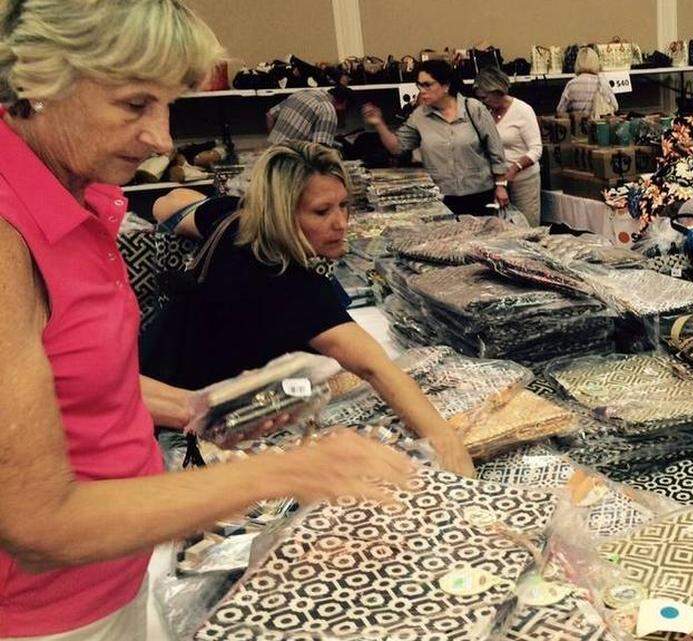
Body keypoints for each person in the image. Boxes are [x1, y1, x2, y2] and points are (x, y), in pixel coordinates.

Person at [0, 2, 414, 640]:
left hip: (110, 577)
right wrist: (286, 471)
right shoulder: (8, 236)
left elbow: (68, 376)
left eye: (167, 106)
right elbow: (37, 523)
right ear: (39, 81)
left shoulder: (71, 195)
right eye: (135, 104)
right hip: (43, 615)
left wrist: (196, 408)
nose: (162, 140)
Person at [146, 142, 475, 477]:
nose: (341, 223)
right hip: (186, 421)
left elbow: (169, 202)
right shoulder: (290, 285)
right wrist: (446, 442)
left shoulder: (236, 219)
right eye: (321, 212)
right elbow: (374, 367)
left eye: (344, 205)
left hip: (153, 373)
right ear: (282, 214)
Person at [363, 60, 510, 216]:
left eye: (427, 85)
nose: (422, 91)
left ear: (445, 86)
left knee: (486, 231)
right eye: (419, 85)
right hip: (442, 196)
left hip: (480, 193)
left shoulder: (473, 108)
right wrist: (379, 124)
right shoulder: (419, 116)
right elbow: (397, 147)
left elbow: (495, 148)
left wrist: (501, 186)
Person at [474, 67, 542, 226]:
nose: (483, 102)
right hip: (498, 182)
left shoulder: (523, 111)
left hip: (524, 181)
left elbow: (536, 149)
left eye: (485, 97)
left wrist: (514, 169)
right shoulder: (487, 113)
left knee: (527, 226)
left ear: (496, 91)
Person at [266, 84, 355, 147]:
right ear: (344, 102)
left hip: (272, 154)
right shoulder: (328, 110)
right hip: (290, 159)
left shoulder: (302, 93)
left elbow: (269, 115)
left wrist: (275, 145)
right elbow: (320, 150)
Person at [555, 46, 619, 117]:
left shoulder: (572, 84)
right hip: (598, 122)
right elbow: (615, 106)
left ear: (577, 63)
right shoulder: (602, 82)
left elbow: (560, 110)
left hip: (578, 123)